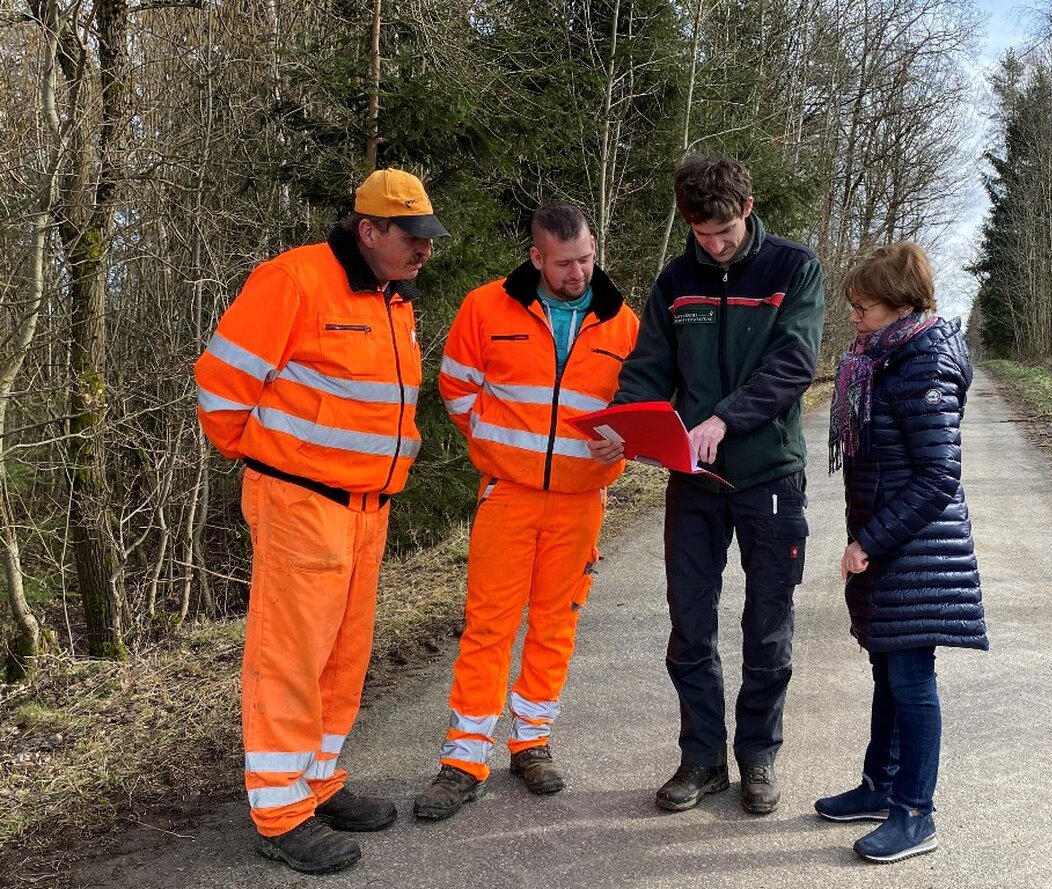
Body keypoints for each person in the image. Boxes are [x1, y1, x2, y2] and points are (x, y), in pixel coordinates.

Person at [194, 168, 447, 875]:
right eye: (411, 236)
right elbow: (220, 383)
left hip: (367, 508)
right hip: (301, 502)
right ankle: (279, 811)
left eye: (428, 237)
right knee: (290, 655)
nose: (424, 249)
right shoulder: (296, 280)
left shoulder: (393, 299)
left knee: (342, 655)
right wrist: (270, 460)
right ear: (369, 230)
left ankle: (317, 781)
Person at [606, 154, 825, 815]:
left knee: (768, 626)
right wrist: (629, 421)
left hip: (770, 474)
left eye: (725, 231)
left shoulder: (794, 268)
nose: (715, 244)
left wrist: (722, 420)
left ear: (748, 207)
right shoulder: (675, 282)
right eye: (702, 234)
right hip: (694, 482)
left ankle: (757, 757)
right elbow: (648, 369)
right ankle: (702, 758)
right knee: (690, 626)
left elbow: (794, 364)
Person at [412, 204, 639, 821]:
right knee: (488, 623)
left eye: (587, 258)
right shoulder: (487, 307)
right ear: (536, 258)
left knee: (555, 623)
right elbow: (456, 387)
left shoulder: (623, 322)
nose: (579, 272)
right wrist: (498, 445)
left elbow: (642, 406)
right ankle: (463, 760)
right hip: (508, 494)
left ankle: (531, 742)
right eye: (565, 263)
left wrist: (624, 441)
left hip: (581, 500)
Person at [815, 241, 987, 863]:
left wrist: (870, 539)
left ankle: (916, 814)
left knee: (912, 681)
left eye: (864, 309)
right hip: (892, 546)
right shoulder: (884, 358)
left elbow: (939, 476)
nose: (855, 320)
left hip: (916, 552)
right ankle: (879, 788)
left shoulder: (922, 363)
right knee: (888, 673)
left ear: (900, 306)